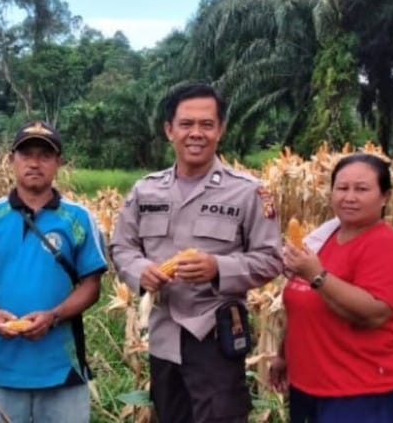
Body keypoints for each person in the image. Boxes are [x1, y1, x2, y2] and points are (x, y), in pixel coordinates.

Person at [110, 83, 283, 423]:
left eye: (206, 124)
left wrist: (217, 267)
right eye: (186, 124)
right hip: (163, 335)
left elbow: (270, 258)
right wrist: (141, 271)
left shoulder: (248, 192)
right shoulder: (146, 190)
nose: (196, 133)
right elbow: (122, 245)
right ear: (169, 130)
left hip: (215, 335)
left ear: (220, 129)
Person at [0, 120, 108, 423]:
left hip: (62, 368)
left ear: (58, 162)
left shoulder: (78, 218)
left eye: (44, 155)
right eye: (26, 155)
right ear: (12, 159)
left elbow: (91, 285)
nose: (35, 163)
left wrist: (54, 316)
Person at [270, 153, 393, 422]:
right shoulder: (322, 239)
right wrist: (283, 355)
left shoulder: (386, 247)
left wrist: (317, 275)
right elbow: (303, 307)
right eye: (342, 188)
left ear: (386, 197)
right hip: (308, 387)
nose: (349, 197)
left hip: (361, 392)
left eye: (361, 189)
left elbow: (374, 313)